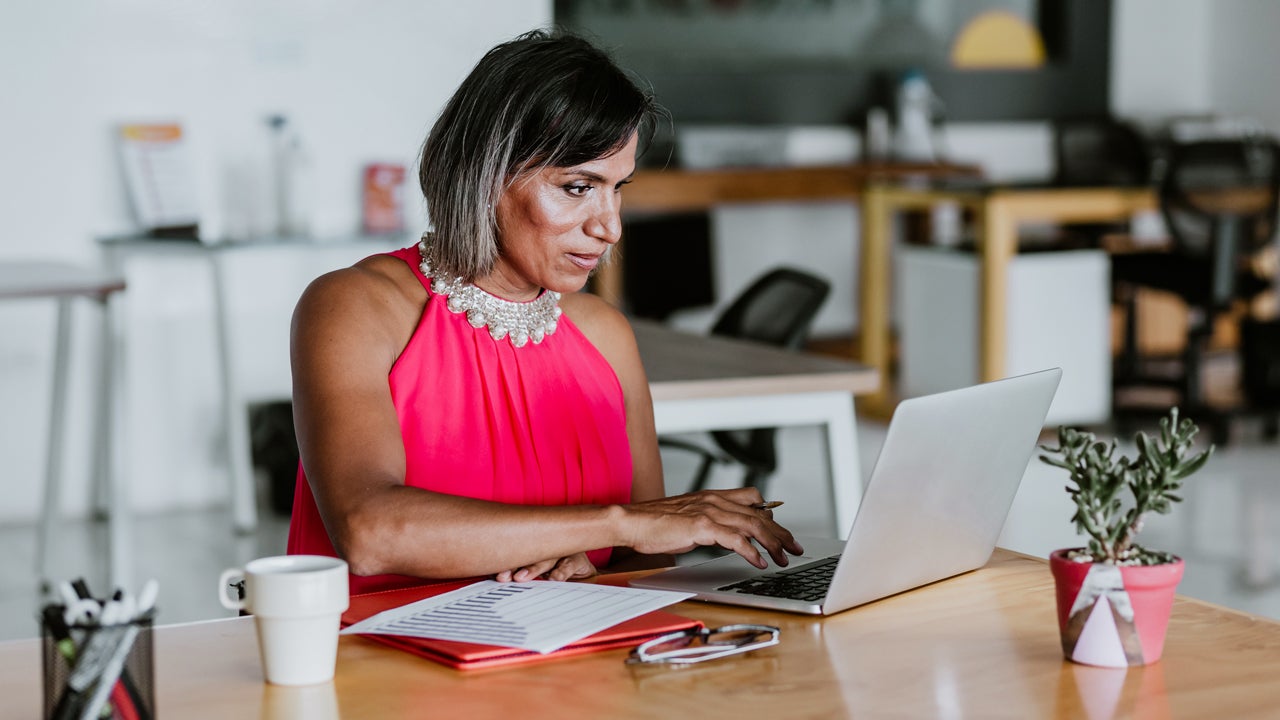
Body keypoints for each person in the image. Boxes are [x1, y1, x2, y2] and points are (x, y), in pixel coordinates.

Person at [286, 29, 802, 595]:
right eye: (578, 186)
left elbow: (646, 561)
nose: (610, 227)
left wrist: (590, 567)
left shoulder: (604, 336)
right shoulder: (354, 307)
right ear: (485, 174)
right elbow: (370, 532)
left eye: (617, 187)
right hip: (386, 666)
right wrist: (610, 522)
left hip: (566, 663)